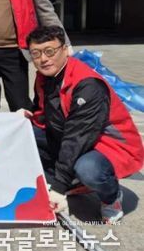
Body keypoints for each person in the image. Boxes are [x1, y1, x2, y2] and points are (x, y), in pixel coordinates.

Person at [25, 26, 143, 224]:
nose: (43, 59)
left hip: (108, 145)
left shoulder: (87, 85)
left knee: (88, 169)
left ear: (65, 50)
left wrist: (59, 188)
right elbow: (43, 111)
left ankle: (111, 197)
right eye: (36, 53)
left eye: (49, 51)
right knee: (24, 135)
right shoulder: (45, 77)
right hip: (72, 136)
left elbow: (77, 138)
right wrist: (24, 118)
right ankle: (74, 181)